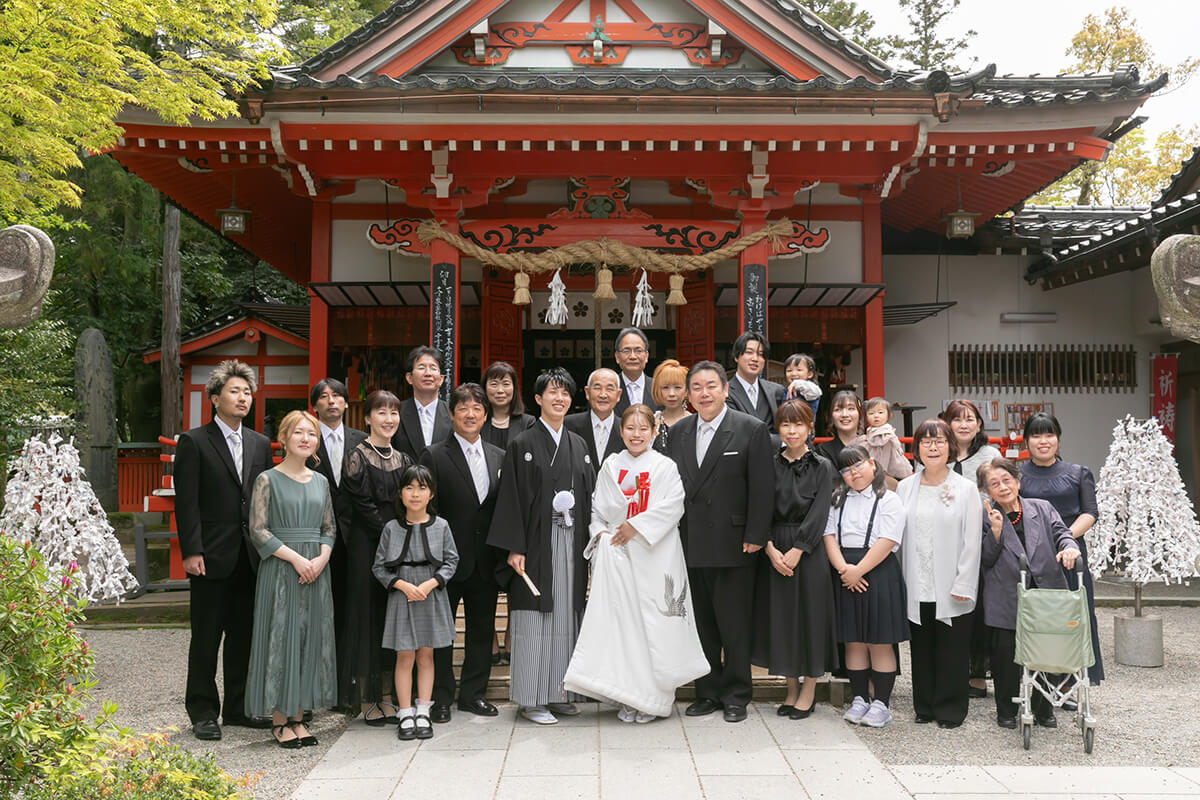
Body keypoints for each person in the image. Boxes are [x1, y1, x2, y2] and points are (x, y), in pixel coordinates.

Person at [563, 404, 709, 722]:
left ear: (654, 432)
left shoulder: (665, 466)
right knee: (624, 628)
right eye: (630, 428)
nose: (637, 434)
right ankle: (629, 698)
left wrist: (636, 527)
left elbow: (674, 506)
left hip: (656, 555)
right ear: (621, 431)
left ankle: (655, 701)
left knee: (655, 626)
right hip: (618, 556)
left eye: (644, 429)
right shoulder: (611, 465)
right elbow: (597, 510)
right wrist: (601, 534)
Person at [663, 360, 774, 723]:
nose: (704, 393)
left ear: (725, 390)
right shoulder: (679, 432)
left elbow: (762, 487)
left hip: (734, 542)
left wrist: (756, 535)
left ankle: (737, 694)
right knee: (702, 625)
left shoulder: (750, 429)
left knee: (734, 624)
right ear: (688, 395)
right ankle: (707, 692)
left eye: (711, 386)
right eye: (696, 387)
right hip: (691, 541)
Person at [487, 367, 596, 725]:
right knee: (536, 615)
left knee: (567, 615)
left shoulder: (578, 444)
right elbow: (511, 499)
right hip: (535, 544)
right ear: (538, 399)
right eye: (552, 392)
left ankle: (560, 693)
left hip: (572, 539)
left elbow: (590, 496)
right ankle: (532, 698)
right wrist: (514, 547)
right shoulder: (522, 444)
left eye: (564, 392)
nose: (559, 398)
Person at [174, 359, 273, 741]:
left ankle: (238, 707)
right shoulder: (194, 441)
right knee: (206, 638)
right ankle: (202, 712)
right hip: (210, 555)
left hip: (250, 556)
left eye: (247, 392)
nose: (243, 397)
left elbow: (261, 500)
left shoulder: (260, 443)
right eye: (235, 391)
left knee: (243, 636)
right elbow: (187, 503)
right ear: (215, 398)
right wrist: (191, 550)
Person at [245, 410, 337, 748]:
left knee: (309, 638)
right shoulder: (267, 479)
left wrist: (322, 558)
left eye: (311, 434)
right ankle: (279, 721)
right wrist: (297, 559)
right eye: (298, 432)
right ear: (283, 438)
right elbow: (258, 530)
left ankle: (299, 716)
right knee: (280, 637)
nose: (305, 438)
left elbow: (329, 527)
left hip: (316, 569)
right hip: (282, 567)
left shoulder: (321, 481)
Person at [422, 384, 505, 722]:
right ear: (451, 414)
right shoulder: (434, 455)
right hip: (446, 560)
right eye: (463, 409)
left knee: (482, 630)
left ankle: (473, 695)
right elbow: (428, 510)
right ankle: (441, 697)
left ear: (485, 415)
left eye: (477, 409)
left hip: (485, 559)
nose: (470, 415)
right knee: (443, 632)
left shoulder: (499, 455)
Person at [978, 458, 1081, 729]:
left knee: (1049, 651)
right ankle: (1006, 709)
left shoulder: (1042, 507)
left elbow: (1062, 534)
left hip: (1046, 593)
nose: (1002, 487)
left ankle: (1043, 707)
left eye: (1006, 480)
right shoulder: (986, 516)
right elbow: (985, 560)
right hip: (1007, 596)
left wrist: (1070, 547)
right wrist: (996, 532)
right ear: (987, 491)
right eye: (994, 484)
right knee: (1005, 656)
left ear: (1018, 481)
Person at [751, 400, 837, 720]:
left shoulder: (822, 466)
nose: (792, 431)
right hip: (774, 546)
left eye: (798, 424)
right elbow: (759, 506)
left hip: (809, 550)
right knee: (782, 619)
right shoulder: (768, 464)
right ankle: (790, 687)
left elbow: (820, 512)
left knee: (810, 617)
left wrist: (799, 549)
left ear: (809, 427)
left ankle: (809, 690)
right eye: (786, 424)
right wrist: (769, 547)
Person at [896, 419, 981, 729]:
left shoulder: (965, 488)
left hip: (951, 581)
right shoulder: (906, 487)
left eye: (940, 441)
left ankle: (950, 709)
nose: (933, 447)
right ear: (917, 448)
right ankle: (925, 705)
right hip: (916, 578)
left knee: (952, 648)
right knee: (921, 646)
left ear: (951, 447)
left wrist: (964, 582)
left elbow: (972, 541)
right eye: (926, 441)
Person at [340, 390, 414, 725]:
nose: (388, 419)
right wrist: (389, 535)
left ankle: (387, 695)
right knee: (367, 616)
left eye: (393, 412)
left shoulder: (404, 459)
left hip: (398, 546)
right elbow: (362, 504)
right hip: (367, 546)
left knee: (391, 618)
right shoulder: (356, 456)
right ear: (367, 418)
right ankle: (367, 699)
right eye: (381, 412)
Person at [373, 464, 460, 741]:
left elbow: (451, 560)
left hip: (430, 593)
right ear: (400, 493)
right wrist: (401, 585)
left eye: (422, 488)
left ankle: (423, 710)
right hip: (402, 595)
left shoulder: (441, 525)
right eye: (409, 488)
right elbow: (379, 567)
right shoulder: (391, 528)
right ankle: (405, 712)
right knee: (404, 655)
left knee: (426, 655)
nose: (415, 494)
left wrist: (430, 583)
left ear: (431, 494)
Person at [823, 445, 908, 728]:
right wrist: (844, 570)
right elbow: (828, 536)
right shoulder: (836, 500)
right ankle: (860, 698)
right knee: (854, 641)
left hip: (878, 570)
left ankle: (882, 703)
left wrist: (858, 571)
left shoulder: (890, 499)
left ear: (872, 464)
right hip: (844, 571)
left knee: (879, 641)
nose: (853, 473)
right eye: (846, 470)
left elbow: (888, 540)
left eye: (857, 465)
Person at [1019, 413, 1105, 687]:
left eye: (1049, 434)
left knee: (1071, 617)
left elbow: (1090, 512)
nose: (1043, 441)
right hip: (1031, 555)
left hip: (1070, 555)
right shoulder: (1017, 475)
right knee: (1037, 618)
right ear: (1026, 440)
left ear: (1058, 438)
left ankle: (1070, 682)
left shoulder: (1078, 473)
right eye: (1036, 435)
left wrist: (1064, 538)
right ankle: (1037, 682)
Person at [939, 399, 1001, 700]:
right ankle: (949, 670)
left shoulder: (990, 455)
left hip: (982, 536)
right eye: (957, 419)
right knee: (945, 604)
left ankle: (977, 674)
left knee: (978, 608)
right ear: (947, 424)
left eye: (970, 419)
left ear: (979, 424)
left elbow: (1002, 492)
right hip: (944, 539)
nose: (964, 425)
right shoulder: (938, 452)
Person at [308, 378, 367, 694]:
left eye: (337, 396)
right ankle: (318, 686)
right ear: (315, 405)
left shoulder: (362, 440)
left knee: (351, 611)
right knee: (318, 613)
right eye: (324, 396)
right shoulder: (306, 439)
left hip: (356, 537)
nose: (331, 401)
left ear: (346, 403)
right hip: (316, 538)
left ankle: (347, 686)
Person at [393, 346, 452, 461]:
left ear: (441, 379)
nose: (428, 373)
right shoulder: (397, 412)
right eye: (421, 367)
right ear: (409, 378)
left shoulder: (453, 413)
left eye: (433, 368)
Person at [564, 367, 625, 475]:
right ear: (587, 392)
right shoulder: (567, 425)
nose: (603, 395)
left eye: (609, 389)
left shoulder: (627, 429)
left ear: (618, 395)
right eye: (597, 388)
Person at [724, 331, 782, 432]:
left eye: (760, 354)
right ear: (736, 357)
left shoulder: (776, 390)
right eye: (749, 352)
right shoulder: (724, 392)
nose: (755, 359)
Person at [852, 397, 912, 487]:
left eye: (880, 412)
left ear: (889, 415)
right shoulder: (871, 431)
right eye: (871, 413)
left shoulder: (885, 434)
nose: (876, 416)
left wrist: (879, 471)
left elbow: (884, 457)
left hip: (887, 469)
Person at [480, 361, 537, 450]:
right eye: (494, 384)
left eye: (506, 384)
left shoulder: (527, 423)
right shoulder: (478, 421)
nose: (500, 390)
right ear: (485, 388)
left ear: (514, 388)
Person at [613, 327, 662, 415]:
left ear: (646, 356)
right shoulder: (608, 389)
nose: (633, 356)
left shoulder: (659, 388)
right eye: (626, 351)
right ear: (617, 357)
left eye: (638, 351)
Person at [650, 358, 691, 453]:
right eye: (665, 388)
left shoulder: (696, 424)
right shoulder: (651, 422)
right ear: (658, 390)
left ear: (686, 390)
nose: (671, 393)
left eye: (678, 387)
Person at [816, 390, 863, 469]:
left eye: (851, 408)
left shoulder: (870, 445)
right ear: (831, 416)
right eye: (837, 409)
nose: (845, 414)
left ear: (859, 413)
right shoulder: (823, 451)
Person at [780, 353, 821, 421]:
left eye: (799, 370)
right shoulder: (785, 390)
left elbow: (817, 392)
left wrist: (796, 383)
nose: (793, 374)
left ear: (810, 374)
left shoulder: (810, 388)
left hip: (804, 426)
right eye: (789, 371)